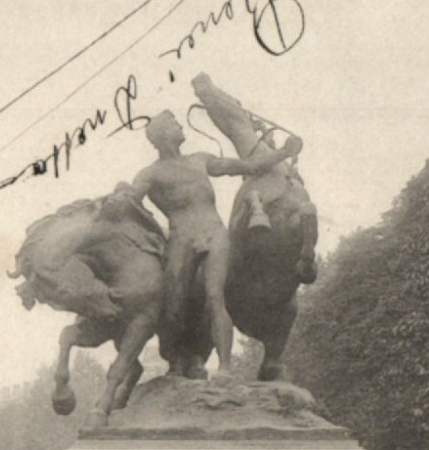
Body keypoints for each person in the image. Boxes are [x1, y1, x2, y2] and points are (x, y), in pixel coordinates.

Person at [119, 110, 302, 377]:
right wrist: (119, 195)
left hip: (214, 233)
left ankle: (225, 368)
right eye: (174, 124)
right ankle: (177, 361)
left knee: (216, 296)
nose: (181, 127)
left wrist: (284, 153)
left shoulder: (200, 160)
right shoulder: (150, 174)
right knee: (173, 307)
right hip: (182, 239)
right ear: (161, 135)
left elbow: (247, 167)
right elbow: (130, 200)